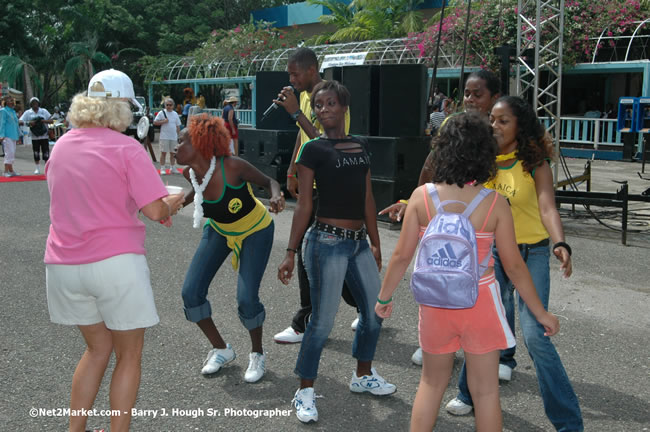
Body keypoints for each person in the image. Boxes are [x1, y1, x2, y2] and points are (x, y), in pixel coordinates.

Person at [375, 111, 559, 432]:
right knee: (486, 391)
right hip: (481, 302)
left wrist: (383, 298)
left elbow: (402, 256)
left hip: (435, 303)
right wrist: (540, 312)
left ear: (443, 150)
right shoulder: (494, 202)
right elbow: (514, 266)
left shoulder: (422, 197)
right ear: (486, 153)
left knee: (431, 384)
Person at [44, 69, 185, 432]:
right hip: (116, 265)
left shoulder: (61, 146)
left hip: (63, 265)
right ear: (122, 107)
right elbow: (155, 209)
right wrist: (177, 201)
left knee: (96, 350)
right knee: (129, 355)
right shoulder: (126, 148)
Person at [445, 96, 584, 431]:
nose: (495, 126)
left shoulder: (535, 164)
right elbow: (452, 193)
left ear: (520, 126)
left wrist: (560, 242)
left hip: (531, 253)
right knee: (483, 325)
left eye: (504, 121)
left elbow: (547, 207)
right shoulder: (482, 163)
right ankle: (467, 394)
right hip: (491, 253)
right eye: (492, 119)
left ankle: (569, 423)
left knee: (537, 336)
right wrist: (412, 203)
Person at [278, 80, 396, 424]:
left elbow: (367, 197)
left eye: (331, 103)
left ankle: (363, 375)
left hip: (358, 242)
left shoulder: (360, 146)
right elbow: (303, 206)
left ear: (344, 107)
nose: (324, 109)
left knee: (376, 312)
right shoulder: (311, 149)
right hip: (324, 243)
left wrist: (375, 242)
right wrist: (290, 251)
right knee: (323, 322)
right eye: (318, 104)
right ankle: (304, 391)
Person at [380, 68, 501, 365]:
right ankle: (440, 338)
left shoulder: (502, 128)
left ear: (494, 98)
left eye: (478, 94)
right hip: (453, 209)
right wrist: (412, 200)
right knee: (443, 271)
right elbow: (430, 166)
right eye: (467, 93)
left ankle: (493, 351)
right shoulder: (452, 124)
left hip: (486, 214)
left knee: (483, 281)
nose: (470, 99)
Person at [176, 114, 285, 383]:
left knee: (247, 299)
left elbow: (270, 181)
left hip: (255, 230)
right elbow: (197, 192)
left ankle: (257, 353)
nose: (176, 147)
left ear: (201, 143)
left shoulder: (233, 167)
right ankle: (221, 349)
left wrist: (275, 195)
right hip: (221, 230)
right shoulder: (189, 172)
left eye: (182, 141)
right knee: (191, 293)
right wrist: (173, 206)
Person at [272, 47, 359, 344]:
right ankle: (364, 305)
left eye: (295, 73)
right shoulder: (308, 97)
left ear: (311, 70)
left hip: (334, 186)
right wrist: (293, 169)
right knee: (322, 254)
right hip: (315, 185)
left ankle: (304, 321)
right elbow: (303, 134)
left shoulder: (332, 99)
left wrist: (295, 111)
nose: (291, 79)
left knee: (315, 253)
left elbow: (327, 141)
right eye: (289, 74)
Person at [19, 96, 53, 174]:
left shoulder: (44, 111)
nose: (35, 105)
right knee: (36, 151)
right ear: (31, 104)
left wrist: (44, 121)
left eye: (36, 103)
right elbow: (20, 121)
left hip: (44, 135)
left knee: (46, 151)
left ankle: (46, 168)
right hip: (35, 135)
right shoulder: (28, 112)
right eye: (33, 103)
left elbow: (52, 121)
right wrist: (29, 123)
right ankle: (37, 168)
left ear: (38, 103)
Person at [153, 98, 181, 175]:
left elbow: (178, 126)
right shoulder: (161, 113)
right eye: (167, 105)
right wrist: (163, 122)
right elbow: (155, 122)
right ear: (165, 105)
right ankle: (162, 168)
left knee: (173, 153)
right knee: (163, 152)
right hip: (164, 136)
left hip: (173, 136)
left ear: (173, 106)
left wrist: (178, 136)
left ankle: (173, 167)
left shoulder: (175, 114)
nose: (168, 106)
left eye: (170, 105)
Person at [0, 96, 21, 177]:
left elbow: (16, 124)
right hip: (7, 135)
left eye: (12, 100)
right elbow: (2, 124)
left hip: (14, 135)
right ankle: (5, 171)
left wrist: (18, 135)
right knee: (8, 153)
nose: (11, 102)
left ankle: (11, 170)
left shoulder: (12, 111)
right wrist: (1, 135)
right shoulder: (3, 111)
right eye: (9, 101)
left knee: (12, 153)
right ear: (5, 102)